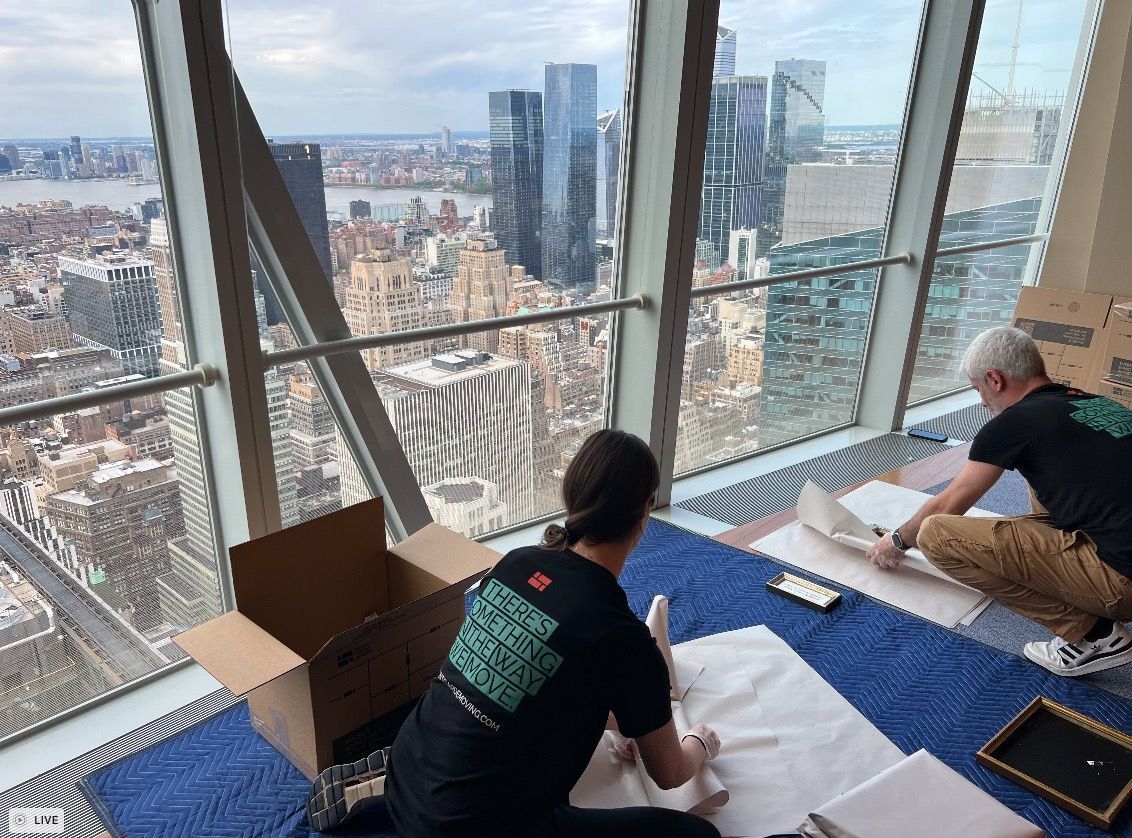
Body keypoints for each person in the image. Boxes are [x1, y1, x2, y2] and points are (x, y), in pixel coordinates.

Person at [309, 429, 722, 837]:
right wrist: (699, 743)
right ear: (646, 509)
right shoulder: (625, 639)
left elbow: (527, 678)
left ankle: (414, 777)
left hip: (412, 760)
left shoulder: (516, 563)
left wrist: (623, 721)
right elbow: (669, 774)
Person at [866, 326, 1132, 677]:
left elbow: (949, 504)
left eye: (978, 388)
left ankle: (1095, 637)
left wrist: (896, 541)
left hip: (1122, 581)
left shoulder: (1013, 423)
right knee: (1041, 472)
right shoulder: (1094, 403)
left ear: (995, 379)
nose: (981, 401)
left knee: (936, 534)